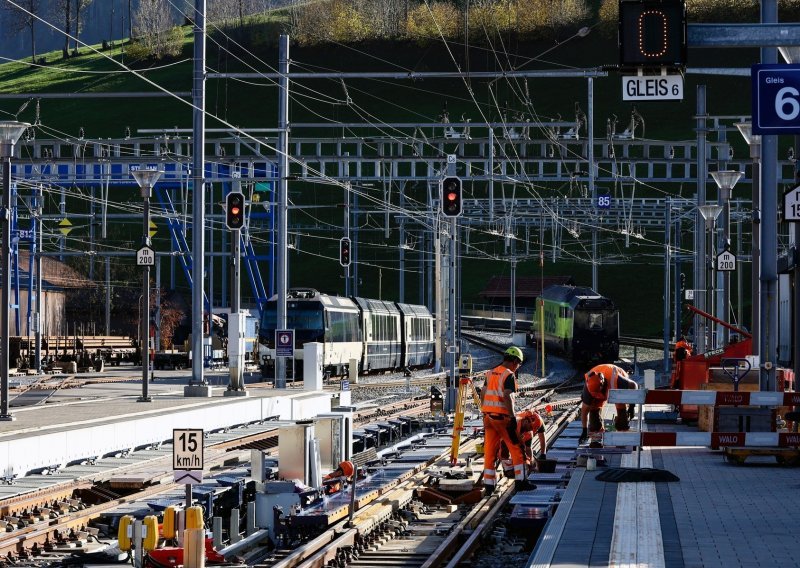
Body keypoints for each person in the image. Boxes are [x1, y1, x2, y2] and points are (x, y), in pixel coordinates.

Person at [480, 346, 534, 494]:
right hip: (502, 419)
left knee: (489, 452)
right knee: (517, 449)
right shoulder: (509, 375)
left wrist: (484, 411)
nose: (518, 367)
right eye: (519, 364)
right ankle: (521, 482)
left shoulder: (490, 373)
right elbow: (508, 396)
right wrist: (511, 417)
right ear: (515, 361)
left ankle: (489, 486)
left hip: (488, 418)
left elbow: (483, 393)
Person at [579, 363, 639, 444]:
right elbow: (584, 411)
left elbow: (634, 385)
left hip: (617, 388)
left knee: (622, 417)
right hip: (600, 391)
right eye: (594, 394)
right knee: (593, 417)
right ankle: (597, 436)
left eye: (597, 392)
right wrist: (584, 430)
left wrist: (632, 406)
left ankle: (622, 436)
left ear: (602, 384)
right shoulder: (588, 389)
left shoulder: (617, 381)